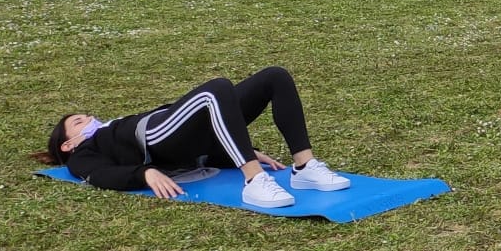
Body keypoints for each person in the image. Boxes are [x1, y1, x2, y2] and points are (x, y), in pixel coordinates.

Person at [42, 67, 349, 209]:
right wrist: (144, 173)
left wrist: (241, 151)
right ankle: (254, 181)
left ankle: (304, 167)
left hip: (177, 130)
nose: (89, 119)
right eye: (79, 121)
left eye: (87, 115)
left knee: (274, 77)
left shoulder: (108, 127)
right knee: (216, 89)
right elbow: (98, 175)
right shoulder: (84, 152)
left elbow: (199, 148)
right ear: (68, 144)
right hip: (154, 137)